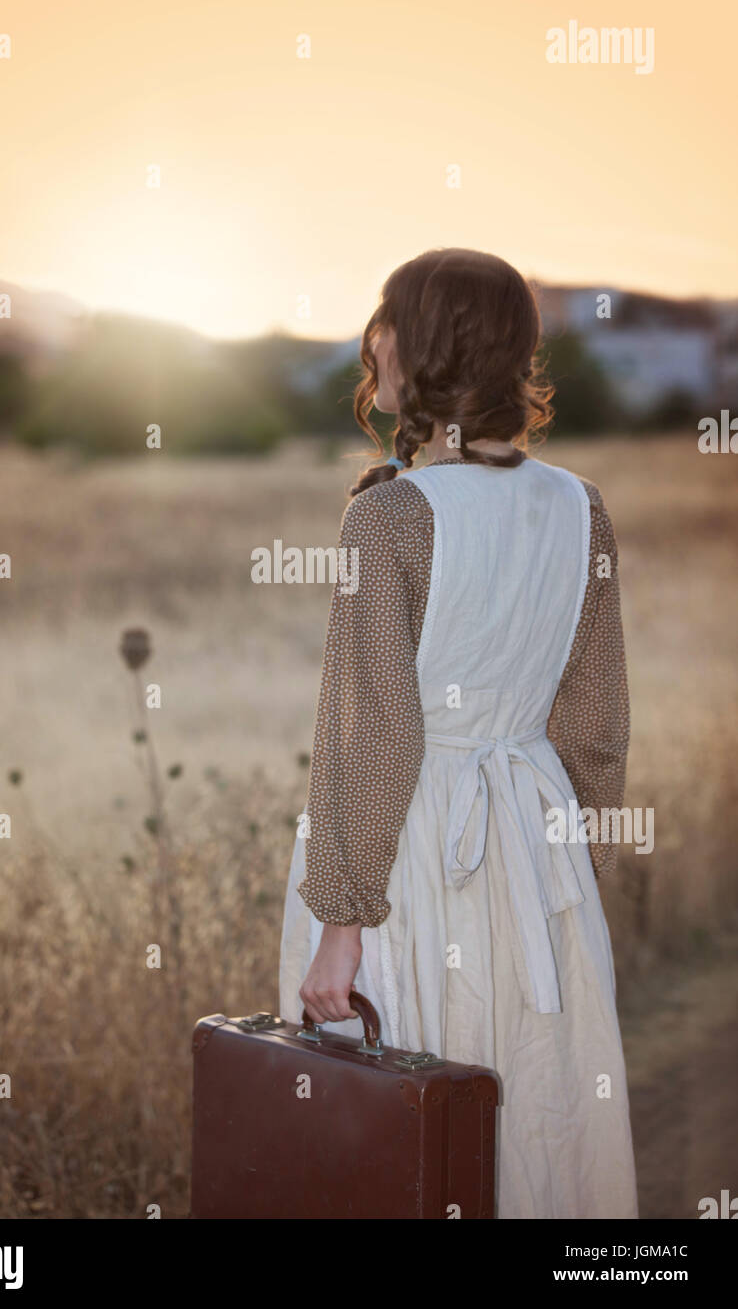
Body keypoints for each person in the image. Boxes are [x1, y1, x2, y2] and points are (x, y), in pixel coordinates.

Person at [279, 247, 638, 1219]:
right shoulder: (579, 506)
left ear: (420, 345)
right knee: (531, 1118)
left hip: (409, 858)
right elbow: (596, 724)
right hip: (535, 843)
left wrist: (339, 927)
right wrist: (565, 870)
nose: (375, 341)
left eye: (387, 320)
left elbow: (375, 736)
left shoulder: (388, 516)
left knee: (398, 1132)